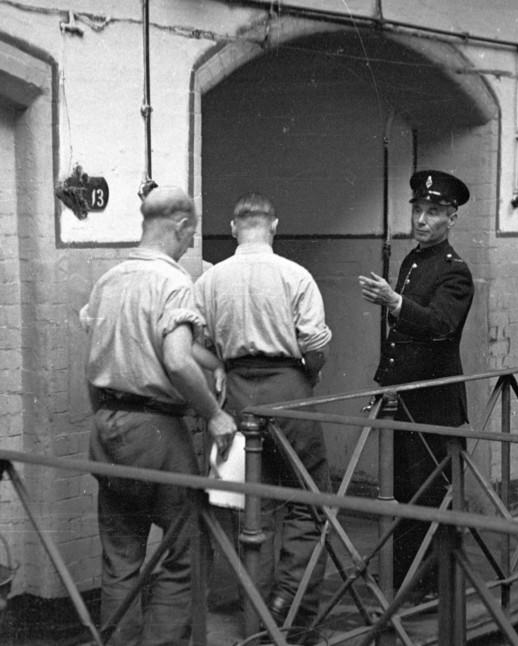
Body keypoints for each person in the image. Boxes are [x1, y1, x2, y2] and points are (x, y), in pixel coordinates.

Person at [80, 185, 237, 646]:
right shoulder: (172, 282)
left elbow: (97, 358)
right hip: (156, 431)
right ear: (182, 225)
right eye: (190, 235)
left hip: (106, 426)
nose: (190, 244)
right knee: (185, 547)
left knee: (121, 554)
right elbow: (175, 359)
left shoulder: (108, 280)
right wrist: (214, 415)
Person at [195, 192, 332, 633]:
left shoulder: (210, 282)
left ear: (234, 227)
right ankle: (290, 606)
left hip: (235, 391)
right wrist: (307, 376)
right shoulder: (296, 275)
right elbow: (315, 345)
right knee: (308, 498)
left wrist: (218, 367)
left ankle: (254, 615)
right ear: (274, 226)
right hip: (288, 387)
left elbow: (192, 343)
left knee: (247, 504)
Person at [358, 169, 474, 598]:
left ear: (452, 218)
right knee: (403, 490)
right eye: (418, 210)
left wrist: (395, 302)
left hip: (431, 401)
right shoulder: (412, 260)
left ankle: (430, 587)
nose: (421, 220)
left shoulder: (454, 271)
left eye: (433, 212)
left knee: (427, 494)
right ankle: (404, 578)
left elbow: (442, 325)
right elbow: (405, 327)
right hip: (403, 396)